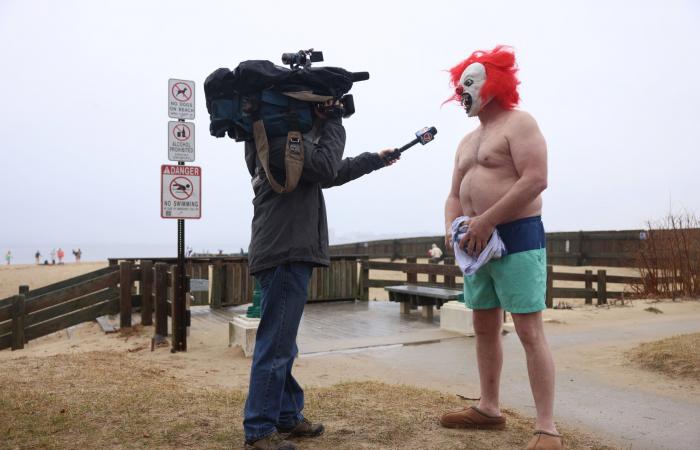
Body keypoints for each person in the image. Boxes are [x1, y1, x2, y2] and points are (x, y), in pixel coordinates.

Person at [242, 99, 399, 450]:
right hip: (285, 252)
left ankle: (285, 414)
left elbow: (330, 171)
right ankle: (259, 429)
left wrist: (375, 159)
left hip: (282, 250)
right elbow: (327, 166)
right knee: (276, 343)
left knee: (283, 341)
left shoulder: (272, 145)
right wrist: (336, 121)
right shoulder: (282, 145)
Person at [439, 46, 561, 450]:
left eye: (469, 83)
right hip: (474, 243)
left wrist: (487, 219)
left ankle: (547, 429)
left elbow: (535, 179)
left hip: (517, 236)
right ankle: (488, 407)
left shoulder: (519, 123)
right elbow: (454, 194)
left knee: (528, 329)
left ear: (494, 83)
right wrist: (451, 228)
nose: (461, 92)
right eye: (458, 86)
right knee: (483, 325)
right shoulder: (465, 142)